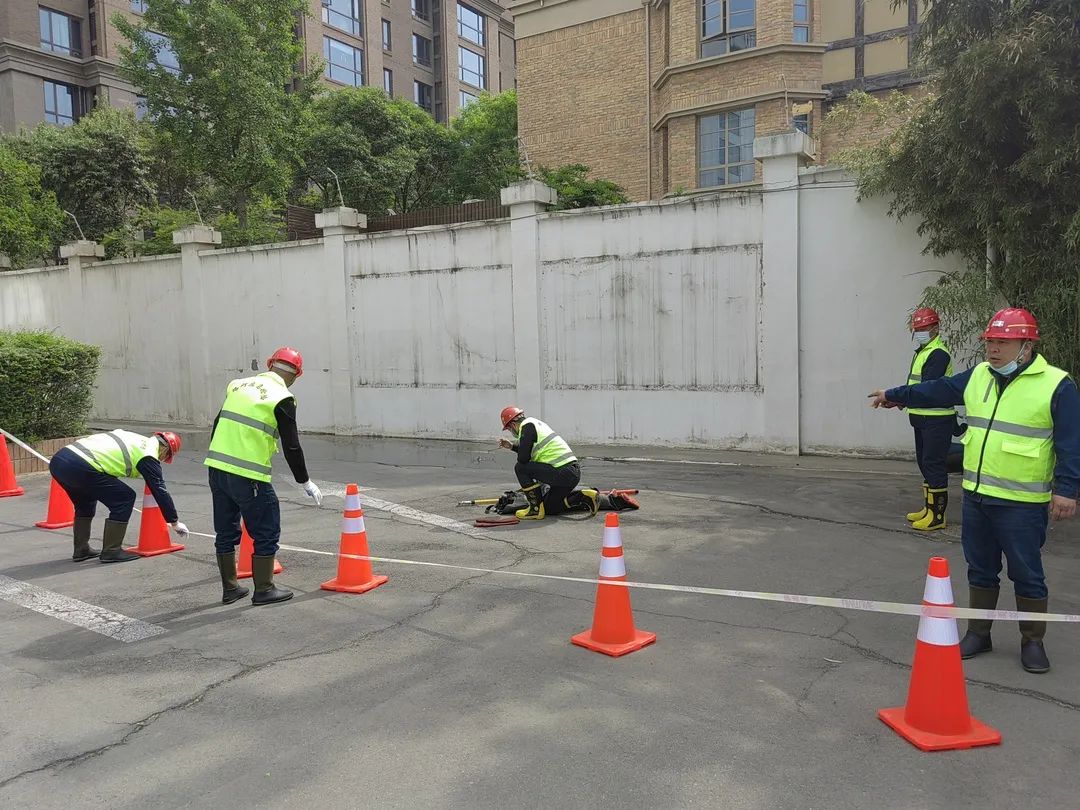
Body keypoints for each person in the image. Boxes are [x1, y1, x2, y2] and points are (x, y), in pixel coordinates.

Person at [869, 308, 1079, 673]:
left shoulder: (1057, 385)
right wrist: (895, 394)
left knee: (1026, 573)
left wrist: (1067, 489)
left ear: (1026, 345)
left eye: (1002, 342)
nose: (993, 350)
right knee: (980, 570)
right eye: (990, 342)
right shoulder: (979, 376)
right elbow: (937, 389)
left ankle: (1033, 641)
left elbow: (1071, 443)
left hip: (1022, 503)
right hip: (978, 497)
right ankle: (979, 633)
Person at [205, 347, 323, 606]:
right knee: (267, 529)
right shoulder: (283, 396)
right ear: (295, 375)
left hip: (216, 467)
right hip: (249, 475)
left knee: (225, 531)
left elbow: (218, 423)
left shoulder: (237, 385)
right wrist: (304, 481)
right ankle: (265, 589)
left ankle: (230, 588)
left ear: (271, 364)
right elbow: (292, 445)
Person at [49, 430, 187, 563]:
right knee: (124, 498)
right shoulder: (148, 454)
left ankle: (81, 549)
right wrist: (174, 522)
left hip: (59, 461)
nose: (162, 460)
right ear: (164, 449)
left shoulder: (135, 439)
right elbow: (160, 490)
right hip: (81, 465)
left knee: (85, 503)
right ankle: (111, 551)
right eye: (165, 457)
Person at [903, 307, 956, 530]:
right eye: (917, 328)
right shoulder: (923, 351)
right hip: (921, 417)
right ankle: (928, 508)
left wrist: (899, 397)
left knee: (934, 464)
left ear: (936, 328)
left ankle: (937, 515)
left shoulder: (938, 354)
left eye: (924, 328)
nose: (920, 331)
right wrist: (901, 400)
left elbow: (927, 388)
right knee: (925, 463)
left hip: (936, 419)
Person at [498, 406, 598, 520]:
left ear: (512, 425)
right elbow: (531, 451)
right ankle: (584, 497)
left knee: (520, 468)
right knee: (549, 508)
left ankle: (534, 509)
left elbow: (523, 459)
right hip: (571, 473)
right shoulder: (536, 424)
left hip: (562, 471)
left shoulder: (527, 426)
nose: (511, 432)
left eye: (509, 429)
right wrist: (511, 446)